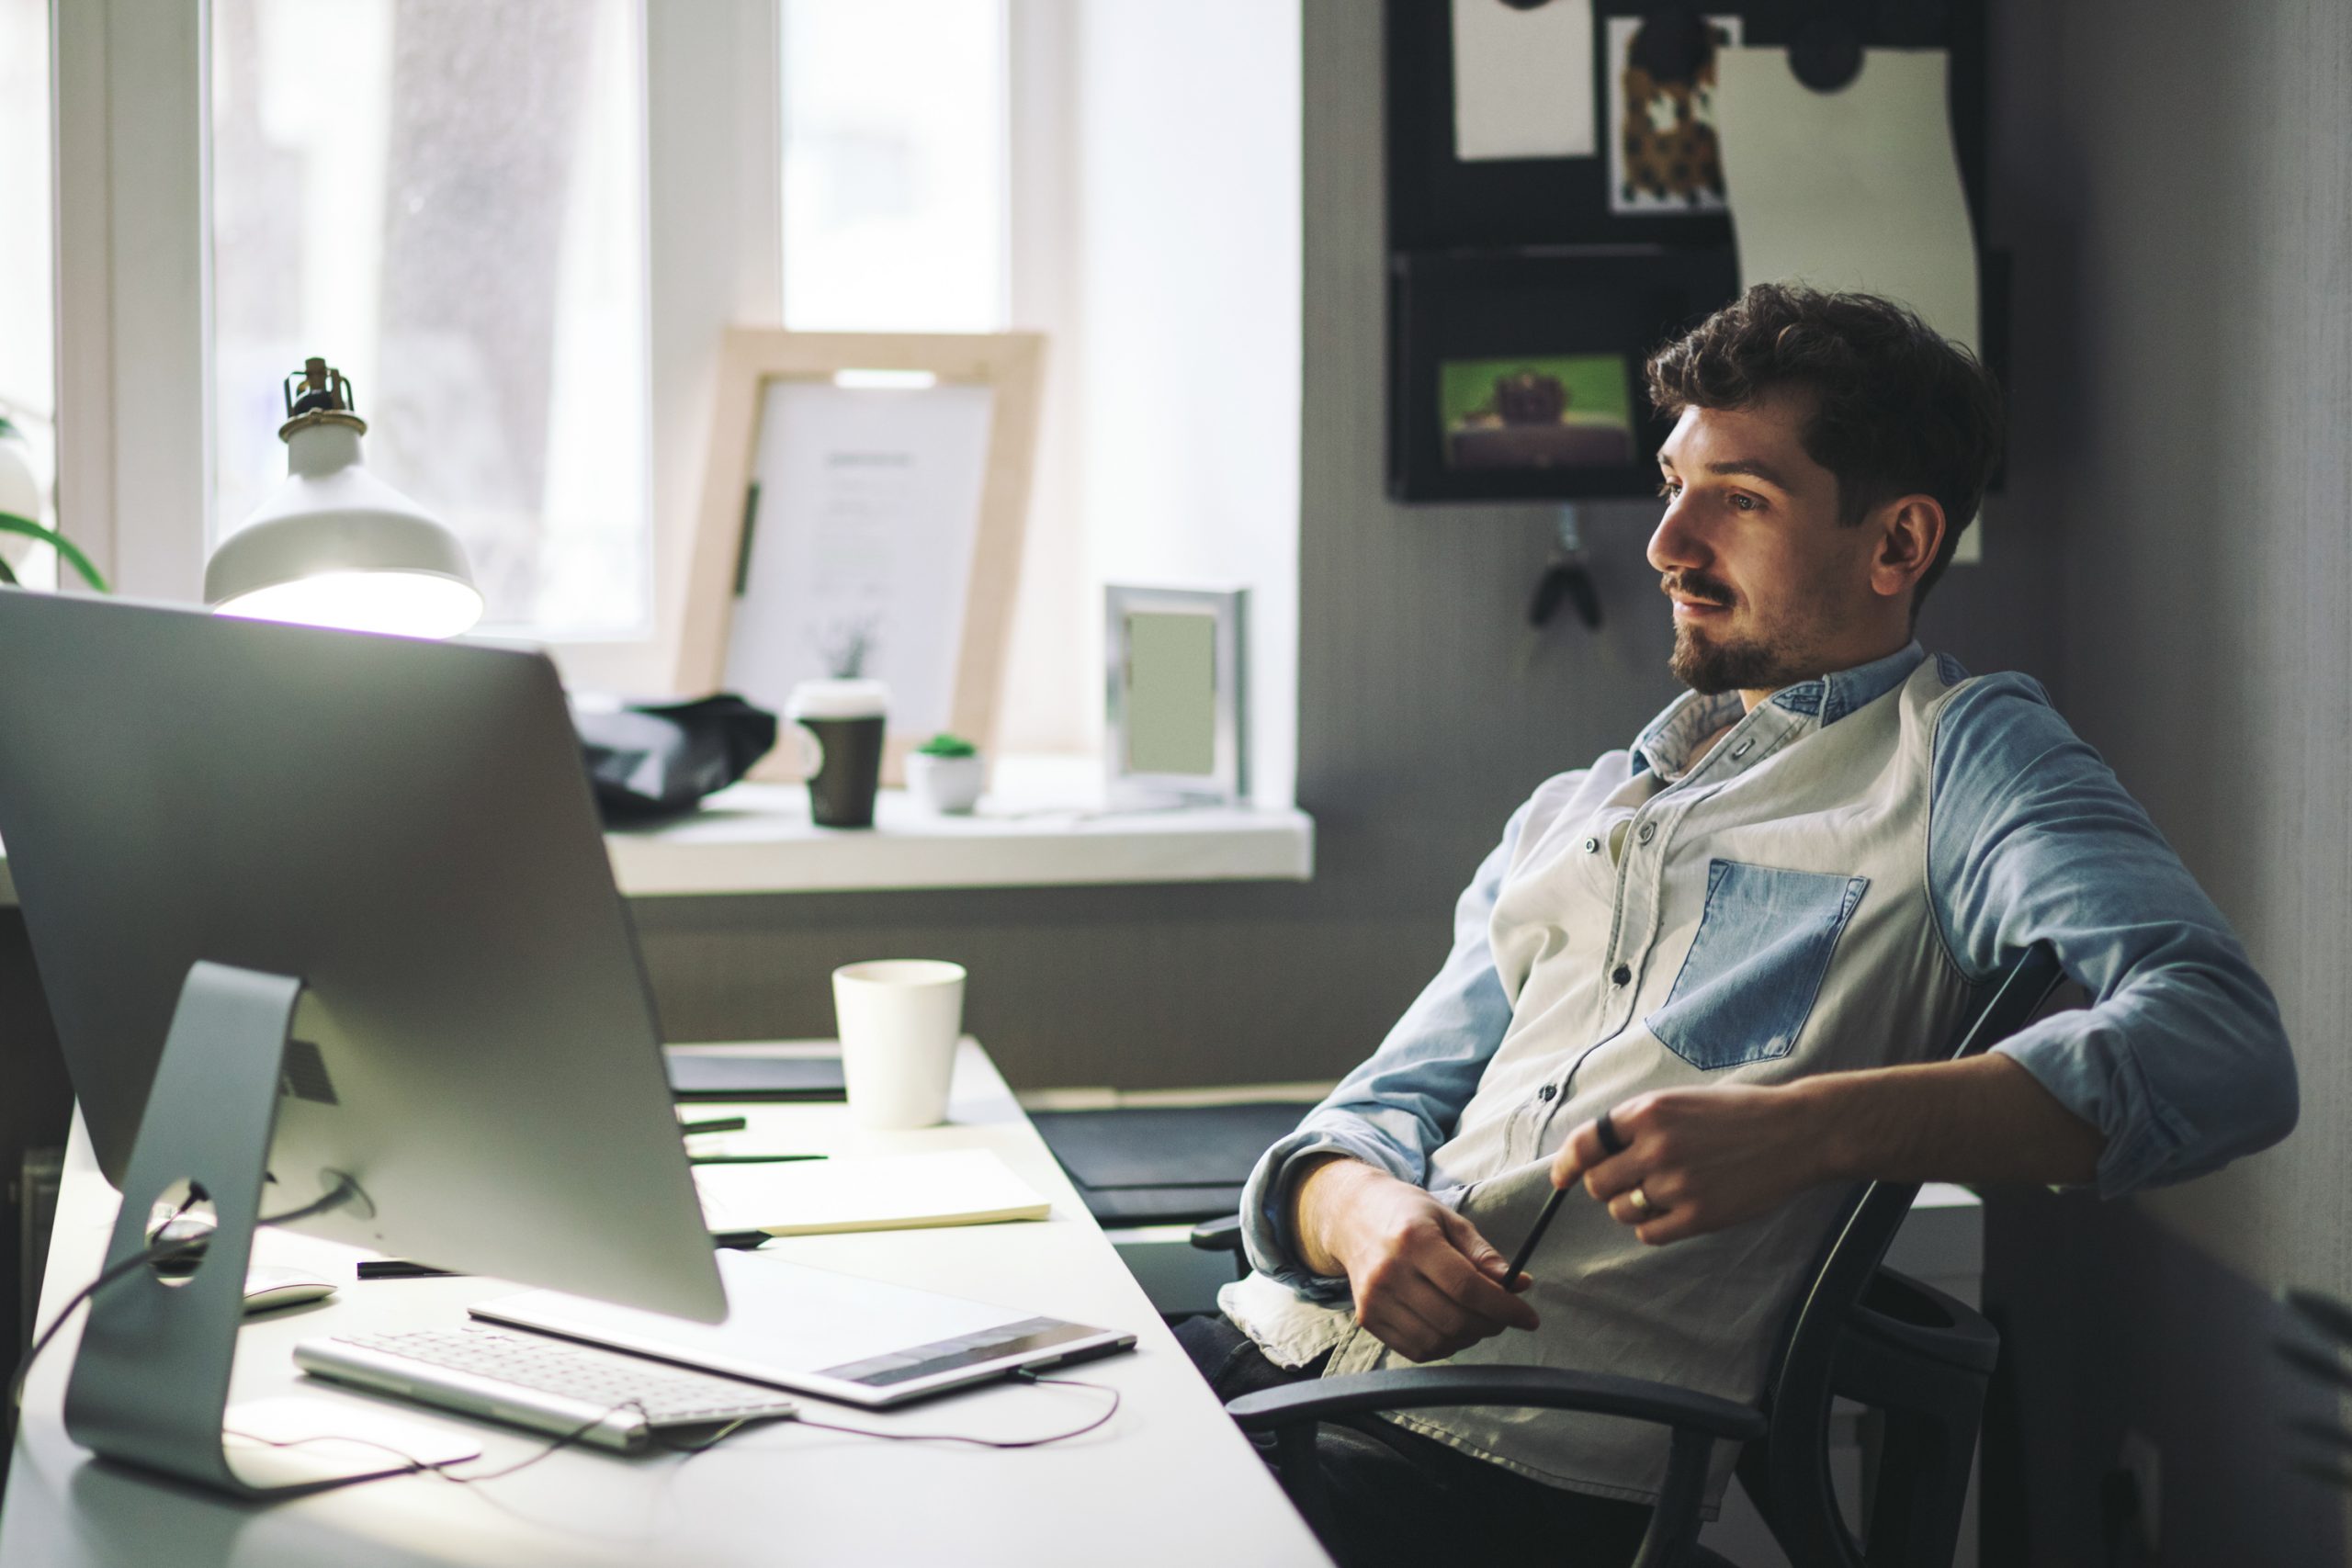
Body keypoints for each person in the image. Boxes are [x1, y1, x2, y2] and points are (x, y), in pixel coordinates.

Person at [1176, 284, 2300, 1568]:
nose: (1664, 543)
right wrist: (1356, 1213)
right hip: (1261, 1371)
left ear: (1898, 545)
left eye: (1742, 499)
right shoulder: (1573, 809)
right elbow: (1370, 1111)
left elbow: (2223, 1051)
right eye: (1673, 482)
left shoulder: (1960, 762)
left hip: (1475, 1482)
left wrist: (1812, 1129)